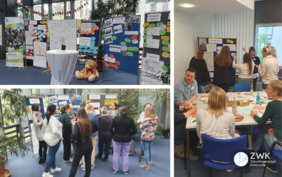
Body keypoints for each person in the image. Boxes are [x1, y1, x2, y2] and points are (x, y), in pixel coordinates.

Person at [196, 87, 240, 173]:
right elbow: (231, 134)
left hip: (209, 154)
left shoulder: (200, 113)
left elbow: (199, 133)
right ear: (225, 101)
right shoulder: (230, 116)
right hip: (227, 156)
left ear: (209, 99)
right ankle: (228, 163)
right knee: (238, 133)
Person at [251, 80, 282, 173]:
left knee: (265, 134)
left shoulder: (272, 105)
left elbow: (261, 122)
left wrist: (253, 114)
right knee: (266, 128)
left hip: (280, 143)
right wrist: (276, 128)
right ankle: (254, 150)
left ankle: (272, 163)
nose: (265, 90)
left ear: (275, 92)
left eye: (268, 88)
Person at [69, 108, 99, 177]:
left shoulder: (78, 123)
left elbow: (74, 134)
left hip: (81, 146)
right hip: (89, 145)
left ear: (78, 114)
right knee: (88, 162)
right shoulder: (90, 122)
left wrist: (73, 141)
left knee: (75, 164)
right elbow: (98, 128)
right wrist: (90, 131)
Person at [110, 106, 137, 174]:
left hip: (117, 139)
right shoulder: (130, 119)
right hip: (127, 139)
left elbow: (110, 129)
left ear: (119, 111)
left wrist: (114, 135)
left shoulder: (115, 118)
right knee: (125, 155)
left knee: (116, 154)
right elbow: (135, 130)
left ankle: (115, 169)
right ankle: (125, 170)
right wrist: (129, 134)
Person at [42, 105, 63, 177]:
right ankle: (45, 172)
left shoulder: (46, 118)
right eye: (56, 109)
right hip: (54, 140)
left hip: (48, 139)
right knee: (50, 155)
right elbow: (55, 131)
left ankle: (53, 168)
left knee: (52, 154)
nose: (57, 110)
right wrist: (60, 137)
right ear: (54, 110)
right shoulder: (53, 119)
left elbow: (44, 128)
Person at [139, 106, 159, 170]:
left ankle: (146, 165)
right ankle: (150, 161)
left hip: (145, 136)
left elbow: (141, 127)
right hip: (152, 135)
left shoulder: (146, 120)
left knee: (146, 151)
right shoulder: (156, 118)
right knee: (150, 149)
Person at [81, 104, 99, 170]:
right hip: (93, 134)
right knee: (93, 149)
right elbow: (97, 125)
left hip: (84, 135)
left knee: (84, 149)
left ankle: (84, 165)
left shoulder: (83, 115)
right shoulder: (94, 116)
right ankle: (91, 164)